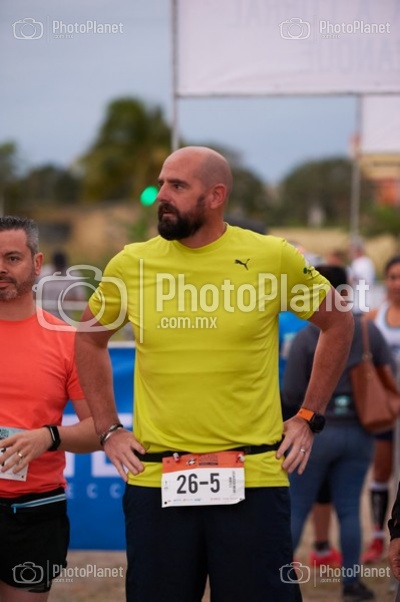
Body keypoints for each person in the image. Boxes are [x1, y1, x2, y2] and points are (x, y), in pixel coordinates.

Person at [75, 146, 354, 602]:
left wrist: (309, 415)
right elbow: (89, 339)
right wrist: (108, 429)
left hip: (253, 476)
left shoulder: (271, 257)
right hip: (157, 476)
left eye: (177, 186)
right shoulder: (131, 263)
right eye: (161, 184)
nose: (162, 196)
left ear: (216, 196)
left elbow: (338, 321)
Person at [0, 216, 100, 601]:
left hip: (33, 511)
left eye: (12, 258)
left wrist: (49, 437)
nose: (1, 269)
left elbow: (100, 430)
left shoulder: (67, 340)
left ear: (37, 263)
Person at [282, 264, 394, 602]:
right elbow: (388, 372)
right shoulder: (366, 329)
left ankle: (279, 577)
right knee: (348, 510)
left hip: (313, 433)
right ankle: (351, 583)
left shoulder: (306, 337)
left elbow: (291, 391)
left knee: (297, 507)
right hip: (359, 432)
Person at [363, 255, 400, 564]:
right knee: (382, 471)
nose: (397, 283)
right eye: (392, 277)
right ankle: (378, 535)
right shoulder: (374, 317)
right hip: (386, 410)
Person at [36, 249, 86, 320]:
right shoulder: (43, 274)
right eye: (57, 267)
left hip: (65, 318)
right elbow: (34, 295)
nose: (59, 269)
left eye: (61, 267)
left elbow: (81, 298)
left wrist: (66, 298)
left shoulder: (74, 275)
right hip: (44, 316)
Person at [349, 237, 376, 315]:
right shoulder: (356, 262)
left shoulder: (365, 262)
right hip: (357, 303)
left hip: (363, 303)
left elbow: (359, 278)